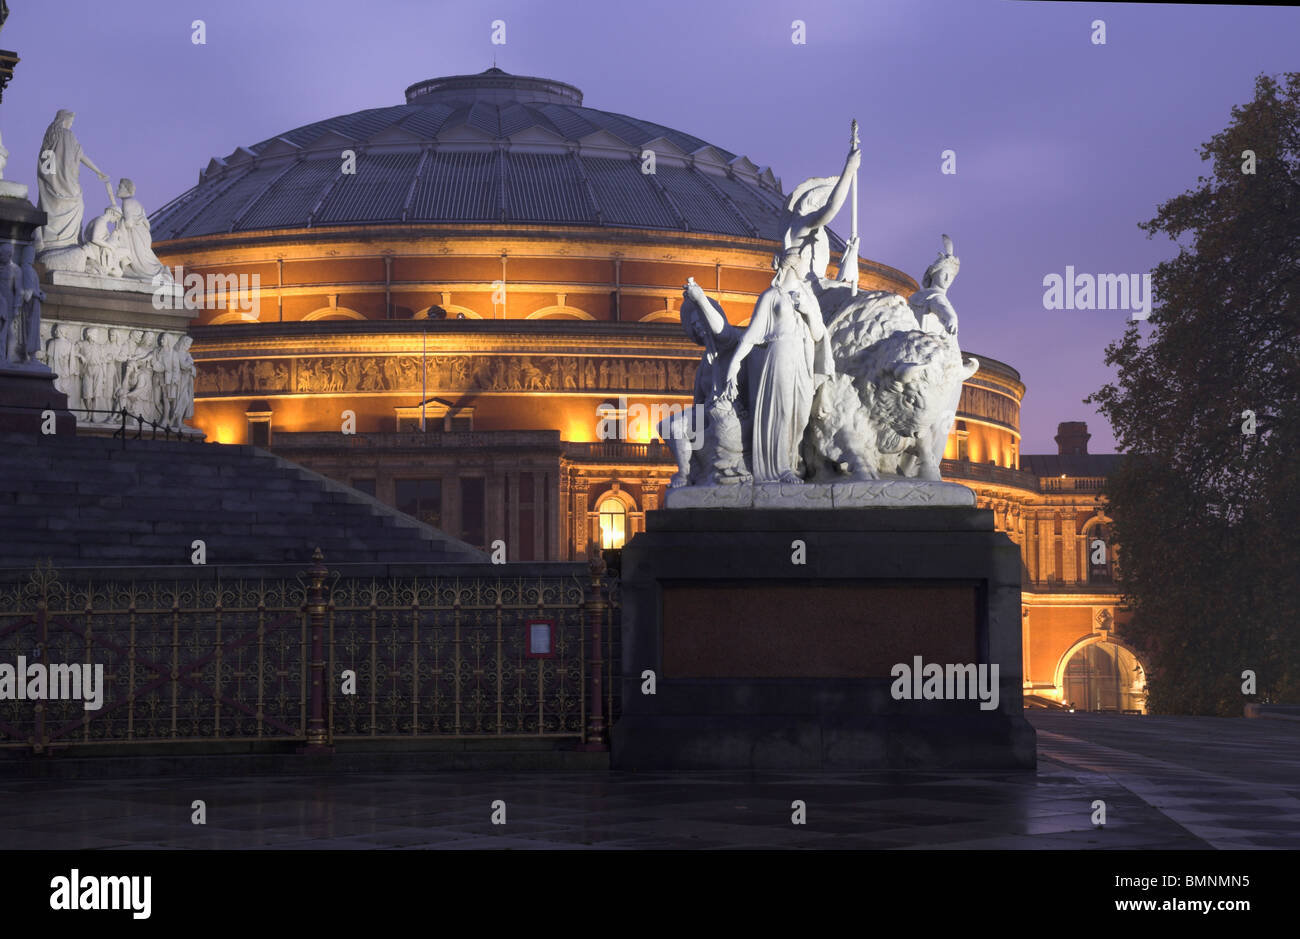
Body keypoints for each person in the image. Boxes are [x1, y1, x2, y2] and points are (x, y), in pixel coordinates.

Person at [723, 255, 825, 483]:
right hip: (780, 353)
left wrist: (807, 310)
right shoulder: (771, 297)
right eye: (797, 264)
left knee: (800, 414)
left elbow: (818, 334)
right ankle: (780, 468)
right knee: (782, 410)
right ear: (788, 266)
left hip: (803, 356)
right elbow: (750, 335)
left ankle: (791, 460)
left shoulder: (808, 297)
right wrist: (734, 363)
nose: (801, 269)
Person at [36, 110, 110, 252]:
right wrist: (98, 171)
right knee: (78, 205)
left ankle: (50, 239)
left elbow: (45, 163)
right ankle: (70, 241)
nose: (71, 125)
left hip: (51, 183)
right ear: (65, 120)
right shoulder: (68, 135)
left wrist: (50, 180)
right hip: (67, 183)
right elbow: (81, 156)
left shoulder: (48, 138)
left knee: (50, 210)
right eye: (71, 122)